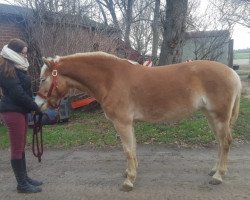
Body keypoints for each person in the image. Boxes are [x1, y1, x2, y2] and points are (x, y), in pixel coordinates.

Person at [0, 38, 42, 193]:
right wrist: (35, 106)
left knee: (21, 146)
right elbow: (17, 92)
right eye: (24, 54)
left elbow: (24, 90)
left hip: (20, 110)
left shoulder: (17, 66)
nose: (26, 57)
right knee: (17, 148)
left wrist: (33, 104)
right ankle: (22, 185)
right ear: (14, 53)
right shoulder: (5, 68)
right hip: (12, 111)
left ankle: (24, 179)